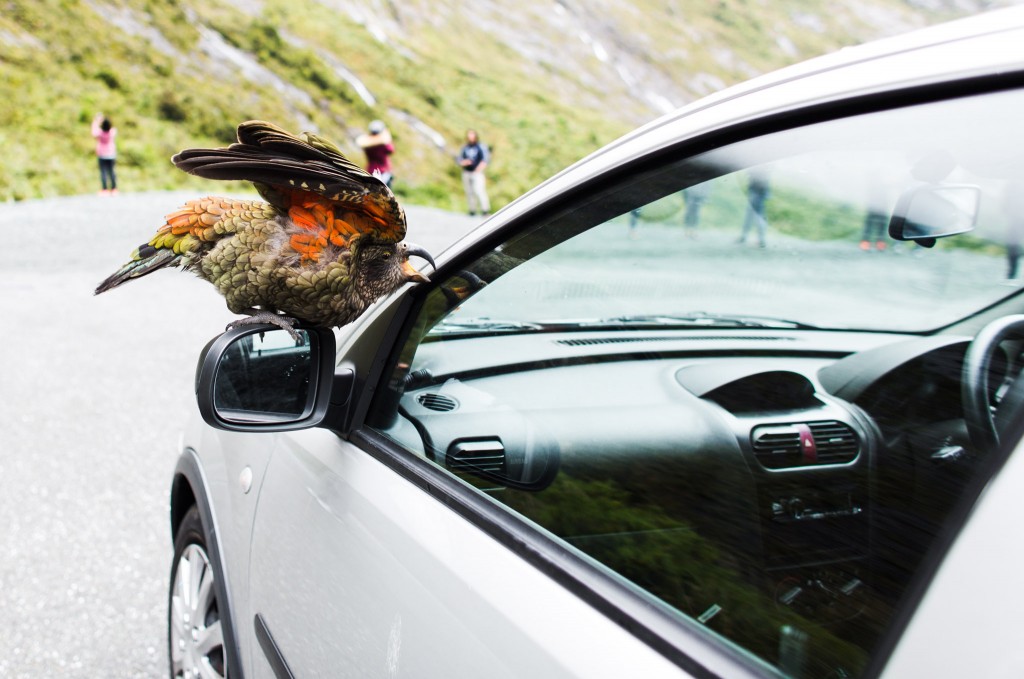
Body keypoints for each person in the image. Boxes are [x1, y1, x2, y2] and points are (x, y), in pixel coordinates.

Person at [458, 129, 491, 216]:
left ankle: (485, 210)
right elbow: (459, 159)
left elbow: (485, 159)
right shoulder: (465, 148)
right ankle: (472, 210)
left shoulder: (480, 147)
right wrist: (464, 162)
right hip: (467, 172)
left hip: (477, 173)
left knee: (479, 190)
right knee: (469, 192)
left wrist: (478, 169)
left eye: (472, 135)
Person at [738, 169, 770, 247]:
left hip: (756, 192)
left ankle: (758, 238)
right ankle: (757, 238)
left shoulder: (759, 170)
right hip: (758, 192)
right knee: (753, 216)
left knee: (754, 216)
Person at [357, 120, 394, 188]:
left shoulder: (367, 143)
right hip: (383, 172)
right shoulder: (384, 143)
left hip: (370, 171)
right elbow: (391, 150)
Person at [91, 113, 118, 195]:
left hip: (102, 154)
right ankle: (114, 189)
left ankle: (105, 189)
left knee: (103, 172)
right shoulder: (112, 132)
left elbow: (94, 131)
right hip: (111, 154)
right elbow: (111, 127)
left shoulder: (100, 133)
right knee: (112, 172)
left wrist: (97, 121)